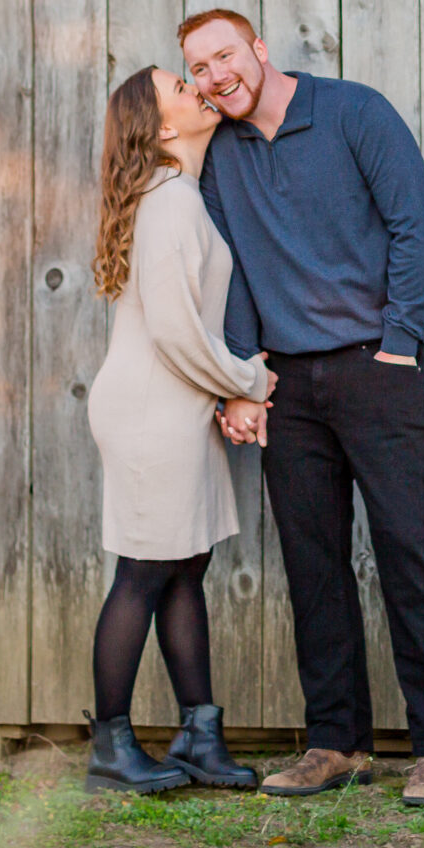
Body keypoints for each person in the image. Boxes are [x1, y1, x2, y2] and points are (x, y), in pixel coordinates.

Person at [179, 8, 424, 808]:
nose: (216, 76)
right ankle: (337, 743)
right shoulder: (220, 156)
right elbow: (232, 270)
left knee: (408, 548)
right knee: (312, 563)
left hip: (379, 367)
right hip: (289, 386)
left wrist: (399, 341)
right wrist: (246, 373)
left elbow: (413, 225)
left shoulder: (354, 112)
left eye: (225, 55)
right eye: (199, 68)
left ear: (258, 49)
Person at [81, 65, 278, 796]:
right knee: (142, 572)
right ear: (164, 126)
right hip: (150, 412)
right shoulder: (168, 204)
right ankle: (110, 747)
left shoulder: (178, 196)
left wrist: (227, 386)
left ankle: (200, 735)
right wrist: (247, 380)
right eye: (180, 87)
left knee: (185, 566)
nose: (199, 88)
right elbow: (175, 332)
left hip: (172, 406)